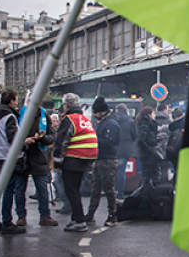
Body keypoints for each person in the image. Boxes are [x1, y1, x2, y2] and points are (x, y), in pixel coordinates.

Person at [53, 92, 97, 232]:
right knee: (75, 190)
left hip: (73, 158)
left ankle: (79, 220)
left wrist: (57, 163)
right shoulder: (84, 119)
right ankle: (76, 218)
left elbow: (61, 142)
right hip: (86, 158)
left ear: (66, 105)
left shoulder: (69, 119)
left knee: (71, 190)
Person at [0, 90, 27, 234]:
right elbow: (13, 138)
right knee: (8, 190)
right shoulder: (10, 117)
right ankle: (7, 222)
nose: (17, 103)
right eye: (16, 100)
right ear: (11, 101)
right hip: (7, 156)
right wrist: (25, 144)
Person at [20, 95, 58, 226]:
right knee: (20, 189)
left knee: (42, 188)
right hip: (23, 155)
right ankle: (21, 216)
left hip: (39, 156)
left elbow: (52, 136)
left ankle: (45, 215)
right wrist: (25, 140)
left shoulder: (44, 115)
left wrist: (42, 139)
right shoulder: (21, 114)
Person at [84, 97, 120, 226]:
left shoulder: (111, 123)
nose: (94, 115)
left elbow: (110, 142)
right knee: (95, 188)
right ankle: (90, 214)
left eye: (95, 112)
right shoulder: (102, 122)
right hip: (99, 159)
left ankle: (112, 215)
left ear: (102, 112)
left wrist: (93, 139)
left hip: (108, 160)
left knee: (109, 189)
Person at [114, 102, 138, 199]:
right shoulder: (130, 121)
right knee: (121, 172)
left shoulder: (113, 120)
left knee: (111, 172)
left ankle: (111, 193)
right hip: (125, 150)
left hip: (113, 150)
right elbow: (135, 135)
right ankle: (120, 194)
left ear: (117, 110)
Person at [136, 105, 161, 185]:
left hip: (147, 154)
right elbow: (141, 140)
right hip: (147, 155)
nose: (154, 115)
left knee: (149, 175)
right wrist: (150, 150)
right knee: (148, 176)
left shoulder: (148, 124)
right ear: (149, 114)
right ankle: (144, 193)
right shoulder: (145, 124)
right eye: (153, 113)